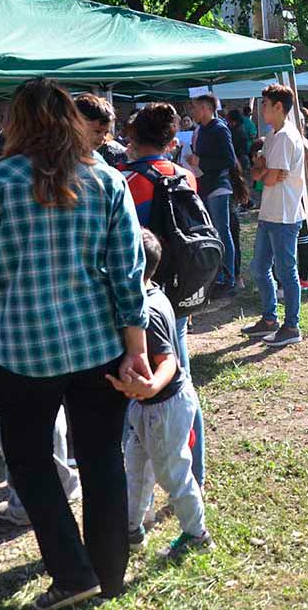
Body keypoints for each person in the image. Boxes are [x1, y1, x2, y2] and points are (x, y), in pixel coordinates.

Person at [0, 78, 149, 609]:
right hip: (98, 345)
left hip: (22, 351)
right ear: (69, 118)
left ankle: (72, 572)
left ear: (16, 123)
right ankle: (108, 575)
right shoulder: (106, 178)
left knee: (30, 462)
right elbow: (128, 273)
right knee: (102, 458)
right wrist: (136, 347)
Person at [119, 230, 211, 560]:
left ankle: (197, 533)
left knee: (173, 474)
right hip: (146, 407)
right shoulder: (152, 293)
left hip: (164, 406)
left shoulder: (148, 309)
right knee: (136, 467)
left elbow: (169, 361)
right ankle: (131, 529)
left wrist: (151, 387)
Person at [241, 84, 306, 347]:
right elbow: (257, 173)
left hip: (285, 215)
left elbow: (266, 178)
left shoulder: (286, 137)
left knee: (286, 271)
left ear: (279, 107)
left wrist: (264, 173)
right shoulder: (272, 136)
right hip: (270, 212)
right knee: (259, 267)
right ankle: (269, 320)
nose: (261, 109)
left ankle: (292, 326)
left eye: (265, 105)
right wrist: (264, 172)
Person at [186, 94, 238, 295]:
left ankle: (229, 278)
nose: (193, 112)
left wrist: (201, 162)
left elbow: (229, 160)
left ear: (206, 108)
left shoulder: (219, 129)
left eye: (196, 108)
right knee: (213, 233)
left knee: (222, 232)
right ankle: (218, 276)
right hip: (205, 186)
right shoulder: (202, 129)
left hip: (219, 187)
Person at [74, 95, 125, 166]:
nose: (103, 137)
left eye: (106, 133)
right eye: (97, 131)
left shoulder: (97, 157)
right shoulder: (64, 159)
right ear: (77, 126)